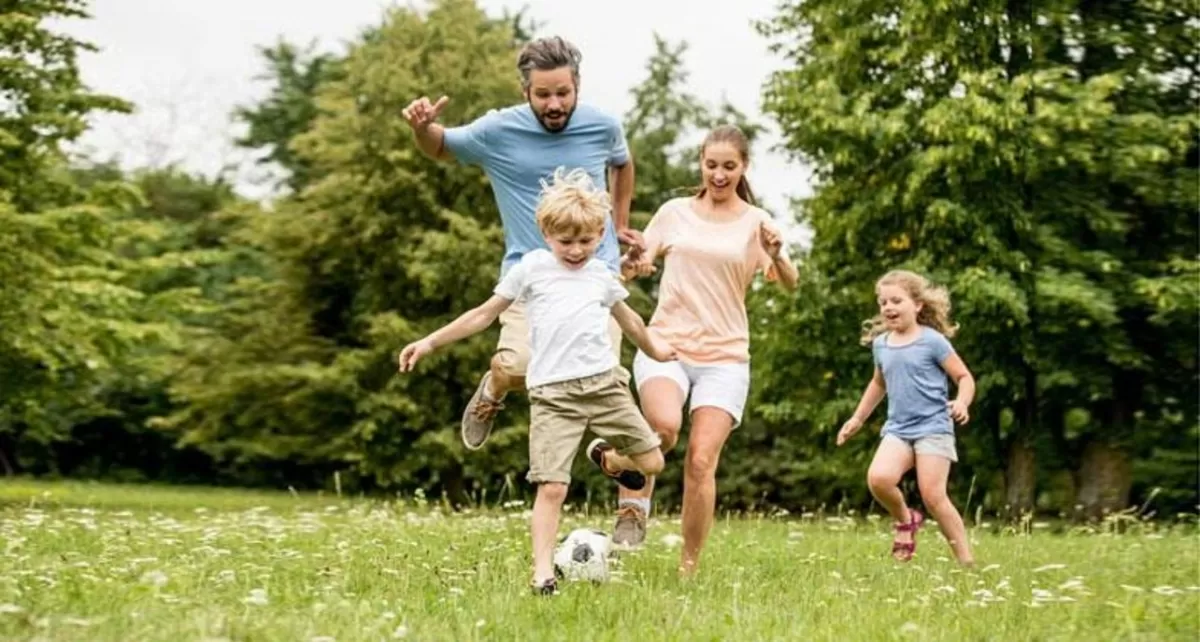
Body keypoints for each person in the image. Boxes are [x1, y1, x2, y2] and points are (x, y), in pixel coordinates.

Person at [396, 168, 673, 595]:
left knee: (652, 462)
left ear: (601, 234)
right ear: (545, 233)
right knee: (552, 486)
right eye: (566, 242)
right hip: (553, 397)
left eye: (586, 241)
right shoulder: (533, 269)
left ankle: (608, 458)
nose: (577, 250)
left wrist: (656, 350)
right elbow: (483, 314)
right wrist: (430, 342)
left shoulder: (602, 275)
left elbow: (631, 321)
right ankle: (542, 573)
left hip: (604, 388)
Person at [400, 36, 643, 452]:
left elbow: (622, 162)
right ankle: (493, 388)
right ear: (525, 90)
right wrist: (422, 128)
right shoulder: (498, 131)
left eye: (563, 93)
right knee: (518, 368)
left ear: (577, 87)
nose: (554, 104)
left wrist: (619, 223)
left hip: (595, 274)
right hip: (528, 278)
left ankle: (631, 506)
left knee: (610, 383)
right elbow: (439, 146)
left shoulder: (602, 125)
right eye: (543, 94)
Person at [615, 125, 799, 575]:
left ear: (744, 167)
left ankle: (689, 567)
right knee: (663, 426)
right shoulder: (674, 212)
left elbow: (792, 283)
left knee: (701, 460)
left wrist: (775, 255)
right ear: (701, 162)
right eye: (711, 164)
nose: (719, 174)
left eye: (728, 166)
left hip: (726, 358)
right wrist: (634, 263)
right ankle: (631, 499)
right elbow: (638, 265)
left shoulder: (757, 223)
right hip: (668, 345)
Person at [836, 269, 976, 566]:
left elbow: (964, 377)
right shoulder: (881, 345)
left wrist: (962, 402)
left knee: (933, 496)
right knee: (879, 479)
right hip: (899, 428)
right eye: (883, 302)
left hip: (934, 426)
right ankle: (905, 519)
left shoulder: (933, 341)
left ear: (918, 305)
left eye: (896, 300)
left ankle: (966, 563)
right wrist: (857, 419)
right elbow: (878, 383)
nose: (888, 307)